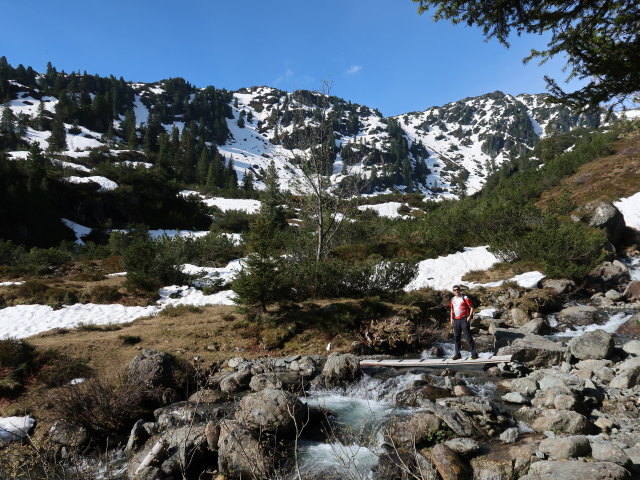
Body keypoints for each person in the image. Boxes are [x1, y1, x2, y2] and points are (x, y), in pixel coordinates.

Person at [449, 285, 478, 360]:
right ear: (453, 291)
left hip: (464, 319)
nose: (456, 291)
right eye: (454, 290)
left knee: (468, 337)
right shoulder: (452, 299)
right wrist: (451, 318)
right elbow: (452, 309)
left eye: (457, 289)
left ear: (459, 290)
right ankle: (457, 354)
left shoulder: (464, 297)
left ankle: (474, 354)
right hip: (456, 320)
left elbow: (471, 307)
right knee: (456, 338)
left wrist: (469, 317)